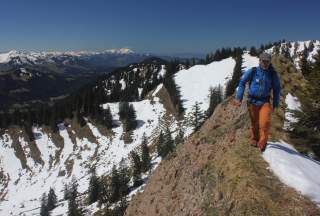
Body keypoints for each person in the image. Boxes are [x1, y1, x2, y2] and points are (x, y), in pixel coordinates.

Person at [234, 52, 281, 152]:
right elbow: (242, 82)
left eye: (267, 62)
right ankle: (254, 138)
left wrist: (276, 103)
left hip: (265, 102)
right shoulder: (253, 71)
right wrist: (239, 98)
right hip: (252, 101)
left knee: (265, 123)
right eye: (263, 61)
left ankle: (262, 142)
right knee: (254, 123)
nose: (265, 63)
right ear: (259, 61)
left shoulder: (272, 74)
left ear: (269, 62)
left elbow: (277, 88)